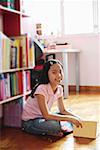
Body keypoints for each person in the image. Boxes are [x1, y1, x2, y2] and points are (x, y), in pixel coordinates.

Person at [22, 59, 82, 137]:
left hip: (43, 118)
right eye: (54, 72)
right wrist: (70, 119)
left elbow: (63, 110)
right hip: (30, 122)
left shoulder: (59, 88)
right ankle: (58, 129)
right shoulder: (41, 89)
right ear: (47, 74)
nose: (59, 75)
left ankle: (59, 129)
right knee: (55, 125)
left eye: (60, 71)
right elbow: (46, 115)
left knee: (70, 114)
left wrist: (77, 118)